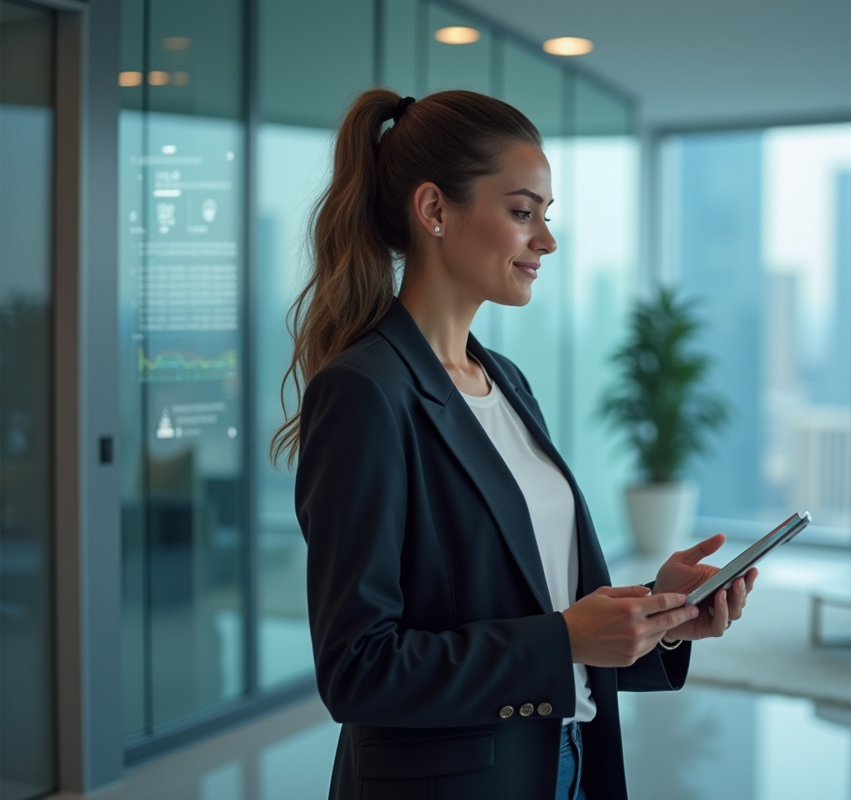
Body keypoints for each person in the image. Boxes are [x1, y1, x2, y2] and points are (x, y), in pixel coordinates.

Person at [271, 88, 757, 800]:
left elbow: (541, 603)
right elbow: (357, 670)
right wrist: (564, 641)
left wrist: (663, 613)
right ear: (434, 210)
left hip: (569, 761)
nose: (547, 241)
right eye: (523, 212)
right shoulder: (365, 393)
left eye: (546, 216)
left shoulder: (507, 381)